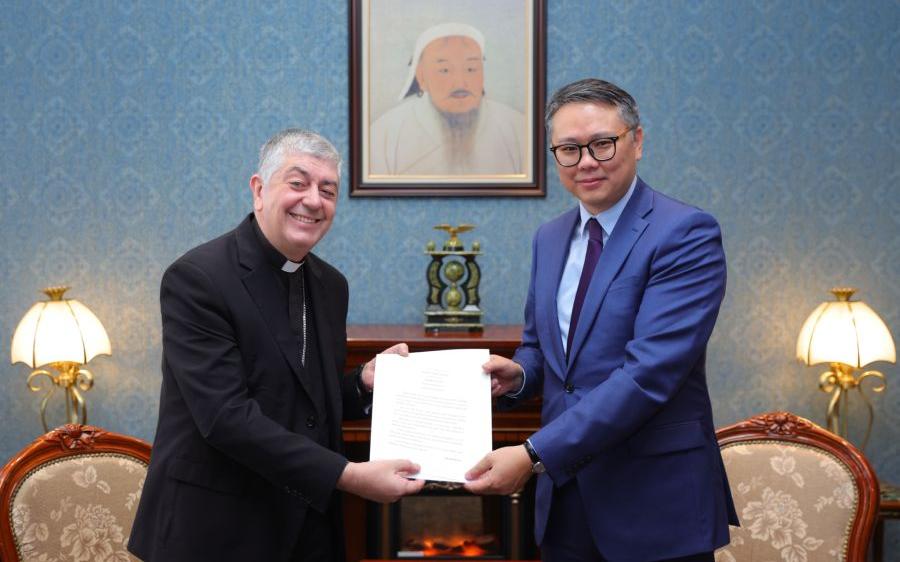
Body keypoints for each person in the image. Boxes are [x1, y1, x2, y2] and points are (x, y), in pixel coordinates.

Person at [464, 79, 738, 561]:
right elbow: (542, 348)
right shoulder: (549, 238)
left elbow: (648, 375)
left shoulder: (684, 233)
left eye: (602, 144)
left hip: (654, 501)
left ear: (637, 140)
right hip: (565, 501)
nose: (586, 162)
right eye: (569, 149)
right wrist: (521, 375)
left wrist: (532, 454)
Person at [128, 129, 424, 562]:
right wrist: (346, 475)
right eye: (298, 183)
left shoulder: (330, 285)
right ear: (259, 190)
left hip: (307, 528)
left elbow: (302, 402)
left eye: (328, 190)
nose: (314, 201)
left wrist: (362, 382)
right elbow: (226, 417)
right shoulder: (197, 278)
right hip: (215, 530)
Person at [369, 22, 525, 176]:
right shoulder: (384, 134)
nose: (460, 82)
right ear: (421, 76)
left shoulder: (517, 127)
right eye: (444, 70)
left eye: (471, 69)